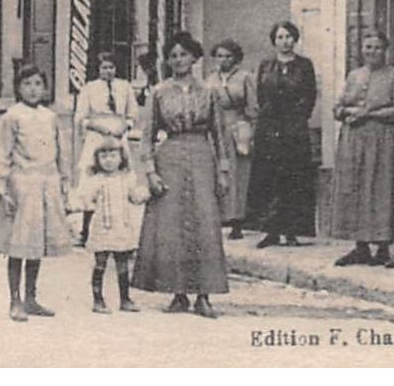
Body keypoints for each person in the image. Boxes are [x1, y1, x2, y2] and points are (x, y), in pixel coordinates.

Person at [134, 32, 232, 318]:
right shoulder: (159, 92)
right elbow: (147, 136)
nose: (179, 60)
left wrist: (223, 171)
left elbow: (220, 134)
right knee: (172, 227)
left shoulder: (208, 92)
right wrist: (150, 172)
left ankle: (204, 296)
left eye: (184, 54)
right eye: (173, 55)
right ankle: (177, 294)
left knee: (204, 224)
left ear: (194, 57)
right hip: (171, 157)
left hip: (202, 157)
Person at [0, 65, 72, 322]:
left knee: (37, 244)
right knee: (19, 245)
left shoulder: (50, 117)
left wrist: (64, 182)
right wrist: (3, 189)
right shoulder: (12, 117)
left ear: (45, 88)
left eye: (38, 83)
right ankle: (15, 300)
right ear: (18, 88)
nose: (33, 89)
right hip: (21, 185)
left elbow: (62, 150)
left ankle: (31, 298)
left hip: (46, 184)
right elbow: (1, 153)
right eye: (27, 84)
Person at [329, 32, 394, 266]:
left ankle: (382, 246)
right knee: (356, 188)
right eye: (368, 47)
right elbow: (338, 105)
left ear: (386, 50)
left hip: (382, 138)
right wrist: (345, 112)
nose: (372, 51)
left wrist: (369, 113)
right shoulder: (355, 75)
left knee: (381, 188)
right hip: (354, 139)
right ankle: (360, 247)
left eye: (377, 47)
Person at [248, 20, 318, 248]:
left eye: (288, 37)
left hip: (294, 128)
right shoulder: (266, 65)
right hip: (269, 128)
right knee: (269, 178)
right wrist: (270, 117)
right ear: (273, 41)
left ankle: (292, 230)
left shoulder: (304, 65)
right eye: (280, 37)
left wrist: (296, 118)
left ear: (295, 39)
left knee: (294, 178)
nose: (284, 42)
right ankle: (271, 230)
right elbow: (260, 94)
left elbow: (309, 96)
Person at [70, 139, 149, 313]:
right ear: (97, 159)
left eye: (113, 156)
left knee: (122, 263)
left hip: (122, 228)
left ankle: (125, 299)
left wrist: (143, 194)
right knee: (100, 263)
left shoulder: (127, 179)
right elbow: (85, 199)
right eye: (103, 156)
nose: (108, 160)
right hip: (102, 228)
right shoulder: (96, 180)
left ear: (122, 158)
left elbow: (134, 197)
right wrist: (78, 201)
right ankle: (98, 300)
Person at [74, 51, 138, 244]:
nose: (108, 71)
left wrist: (124, 127)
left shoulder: (124, 87)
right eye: (104, 68)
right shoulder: (89, 89)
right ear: (98, 69)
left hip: (118, 137)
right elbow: (81, 118)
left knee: (118, 183)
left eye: (111, 67)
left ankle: (121, 232)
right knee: (92, 183)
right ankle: (85, 231)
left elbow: (132, 114)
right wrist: (98, 127)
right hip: (97, 138)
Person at [208, 38, 259, 240]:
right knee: (216, 172)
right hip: (214, 129)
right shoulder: (210, 79)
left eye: (228, 56)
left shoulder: (245, 77)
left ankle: (237, 220)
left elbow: (253, 106)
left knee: (238, 175)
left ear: (236, 58)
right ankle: (219, 218)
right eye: (220, 56)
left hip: (237, 128)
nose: (223, 60)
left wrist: (250, 131)